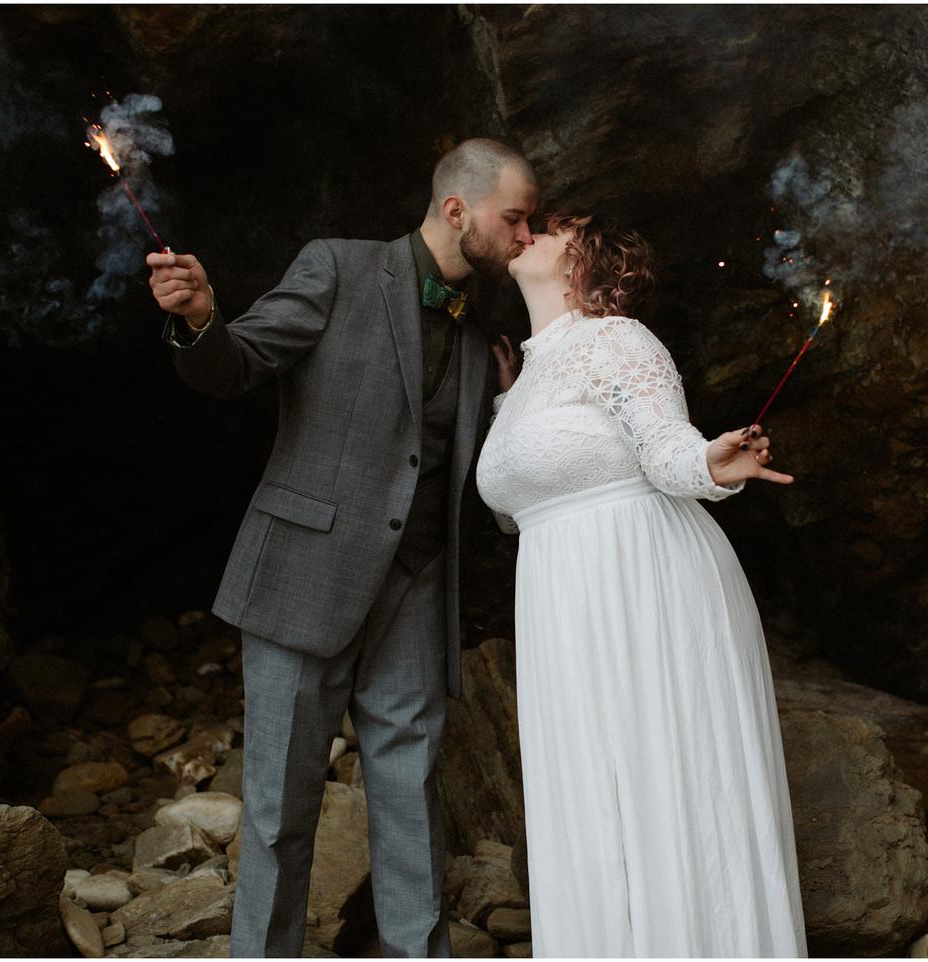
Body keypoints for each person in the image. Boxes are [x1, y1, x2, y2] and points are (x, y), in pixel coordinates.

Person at [146, 138, 539, 957]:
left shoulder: (483, 330)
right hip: (305, 577)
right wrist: (199, 319)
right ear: (458, 210)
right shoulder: (337, 267)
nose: (525, 236)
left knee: (412, 796)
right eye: (515, 218)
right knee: (279, 807)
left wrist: (511, 412)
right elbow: (238, 363)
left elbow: (465, 466)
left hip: (418, 588)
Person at [477, 213, 808, 957]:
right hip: (563, 601)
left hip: (640, 583)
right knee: (591, 798)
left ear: (591, 268)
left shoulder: (618, 339)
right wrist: (509, 404)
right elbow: (514, 510)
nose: (533, 230)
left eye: (557, 227)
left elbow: (665, 451)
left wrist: (712, 465)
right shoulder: (530, 373)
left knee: (665, 786)